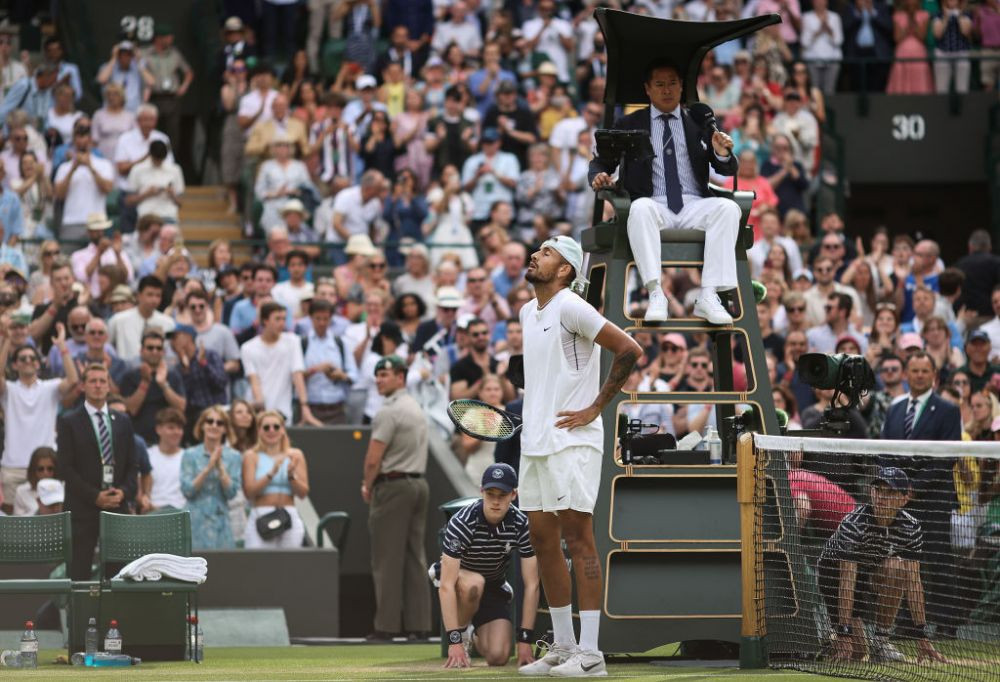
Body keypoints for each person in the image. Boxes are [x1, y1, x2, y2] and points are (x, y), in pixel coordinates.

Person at [516, 236, 642, 677]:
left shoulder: (572, 306)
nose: (535, 255)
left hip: (573, 440)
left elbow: (629, 349)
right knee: (543, 542)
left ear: (566, 269)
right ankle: (565, 646)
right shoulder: (527, 313)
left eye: (547, 252)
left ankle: (591, 655)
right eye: (538, 250)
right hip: (536, 442)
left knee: (578, 539)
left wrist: (594, 407)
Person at [589, 58, 739, 325]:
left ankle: (708, 294)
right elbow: (602, 161)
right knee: (639, 208)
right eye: (659, 84)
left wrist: (721, 151)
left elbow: (726, 169)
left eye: (672, 83)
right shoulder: (629, 123)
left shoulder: (699, 121)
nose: (667, 89)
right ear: (647, 89)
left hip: (693, 203)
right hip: (653, 203)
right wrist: (599, 176)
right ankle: (655, 292)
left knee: (728, 209)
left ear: (682, 86)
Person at [819, 467, 945, 663]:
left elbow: (914, 583)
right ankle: (831, 638)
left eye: (890, 492)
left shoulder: (911, 528)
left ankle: (880, 642)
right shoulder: (854, 524)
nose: (881, 497)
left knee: (897, 567)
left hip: (868, 571)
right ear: (871, 492)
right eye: (878, 490)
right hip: (835, 576)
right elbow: (847, 581)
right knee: (856, 652)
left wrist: (922, 635)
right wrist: (845, 633)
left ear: (904, 499)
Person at [881, 351, 962, 638]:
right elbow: (884, 451)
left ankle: (947, 624)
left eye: (924, 371)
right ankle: (906, 623)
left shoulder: (948, 410)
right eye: (913, 370)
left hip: (934, 500)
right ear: (906, 374)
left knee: (938, 560)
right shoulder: (894, 409)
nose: (918, 375)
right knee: (902, 560)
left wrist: (914, 489)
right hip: (899, 502)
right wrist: (892, 488)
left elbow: (946, 457)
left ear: (934, 376)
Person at [436, 463, 539, 668]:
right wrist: (454, 639)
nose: (495, 501)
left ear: (514, 495)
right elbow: (446, 585)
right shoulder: (463, 522)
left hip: (494, 586)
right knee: (475, 582)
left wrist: (525, 640)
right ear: (481, 491)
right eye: (490, 493)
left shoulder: (521, 524)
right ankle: (463, 632)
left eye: (502, 494)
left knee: (498, 657)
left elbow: (532, 584)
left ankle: (474, 635)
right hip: (459, 582)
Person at [361, 355, 432, 640]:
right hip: (418, 483)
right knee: (415, 557)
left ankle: (386, 627)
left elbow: (373, 458)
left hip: (392, 486)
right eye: (377, 375)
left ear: (400, 377)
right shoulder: (414, 406)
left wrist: (367, 485)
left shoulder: (388, 411)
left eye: (385, 374)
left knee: (386, 559)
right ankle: (421, 626)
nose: (379, 379)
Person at [57, 363, 138, 579]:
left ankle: (116, 614)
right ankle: (79, 614)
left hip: (116, 506)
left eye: (103, 381)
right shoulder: (68, 421)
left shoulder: (123, 421)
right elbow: (64, 467)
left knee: (118, 573)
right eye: (93, 381)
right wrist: (94, 496)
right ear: (83, 386)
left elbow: (133, 465)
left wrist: (124, 492)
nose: (98, 385)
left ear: (109, 386)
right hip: (83, 508)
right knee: (79, 572)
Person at [0, 322, 78, 513]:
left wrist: (62, 346)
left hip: (47, 466)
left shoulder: (49, 388)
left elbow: (74, 380)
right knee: (11, 524)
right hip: (13, 466)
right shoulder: (8, 390)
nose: (27, 361)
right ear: (15, 364)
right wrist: (8, 341)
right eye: (22, 358)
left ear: (38, 363)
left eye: (31, 358)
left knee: (52, 518)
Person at [240, 301, 320, 425]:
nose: (282, 323)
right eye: (277, 319)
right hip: (257, 413)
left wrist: (304, 406)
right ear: (265, 321)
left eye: (284, 319)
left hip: (283, 412)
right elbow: (254, 380)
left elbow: (297, 375)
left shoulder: (293, 341)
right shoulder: (248, 348)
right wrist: (262, 412)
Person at [242, 410, 309, 548]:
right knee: (258, 566)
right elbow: (249, 492)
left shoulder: (295, 454)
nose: (271, 430)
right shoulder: (251, 456)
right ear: (259, 431)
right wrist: (271, 473)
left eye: (276, 426)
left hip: (288, 515)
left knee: (289, 566)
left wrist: (291, 476)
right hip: (260, 515)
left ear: (283, 429)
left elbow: (303, 493)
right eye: (266, 427)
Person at [181, 406, 242, 549]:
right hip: (195, 519)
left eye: (219, 423)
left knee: (224, 568)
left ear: (225, 429)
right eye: (209, 421)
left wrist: (220, 467)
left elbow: (231, 492)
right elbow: (188, 490)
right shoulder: (190, 454)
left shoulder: (234, 456)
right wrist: (208, 468)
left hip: (221, 519)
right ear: (202, 425)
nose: (214, 425)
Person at [119, 329, 187, 443]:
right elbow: (131, 410)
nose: (154, 351)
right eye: (150, 348)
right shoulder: (129, 376)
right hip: (138, 439)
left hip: (167, 440)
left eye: (159, 348)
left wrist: (163, 384)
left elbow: (181, 407)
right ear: (141, 351)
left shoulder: (173, 375)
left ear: (163, 352)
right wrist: (144, 383)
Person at [303, 299, 358, 425]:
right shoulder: (302, 343)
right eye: (318, 318)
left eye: (325, 319)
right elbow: (295, 376)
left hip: (337, 408)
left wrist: (341, 375)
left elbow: (353, 375)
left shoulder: (341, 343)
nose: (322, 323)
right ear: (310, 318)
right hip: (311, 408)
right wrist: (316, 369)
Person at [146, 407, 187, 511]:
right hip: (152, 513)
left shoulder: (188, 456)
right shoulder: (148, 455)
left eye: (179, 428)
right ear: (158, 429)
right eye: (171, 427)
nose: (176, 432)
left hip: (180, 514)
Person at [12, 447, 60, 516]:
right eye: (41, 469)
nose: (45, 473)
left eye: (50, 468)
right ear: (33, 470)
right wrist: (40, 510)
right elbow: (17, 523)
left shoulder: (62, 489)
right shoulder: (21, 491)